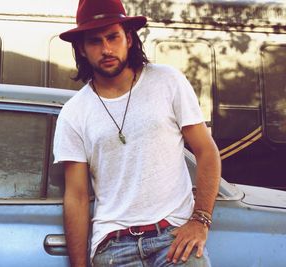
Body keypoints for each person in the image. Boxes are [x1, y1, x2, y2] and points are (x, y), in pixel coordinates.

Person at [53, 0, 221, 266]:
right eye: (95, 41)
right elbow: (77, 196)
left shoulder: (167, 81)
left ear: (128, 39)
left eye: (113, 37)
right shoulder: (74, 112)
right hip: (113, 246)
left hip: (172, 238)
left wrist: (200, 220)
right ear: (82, 50)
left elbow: (206, 151)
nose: (106, 49)